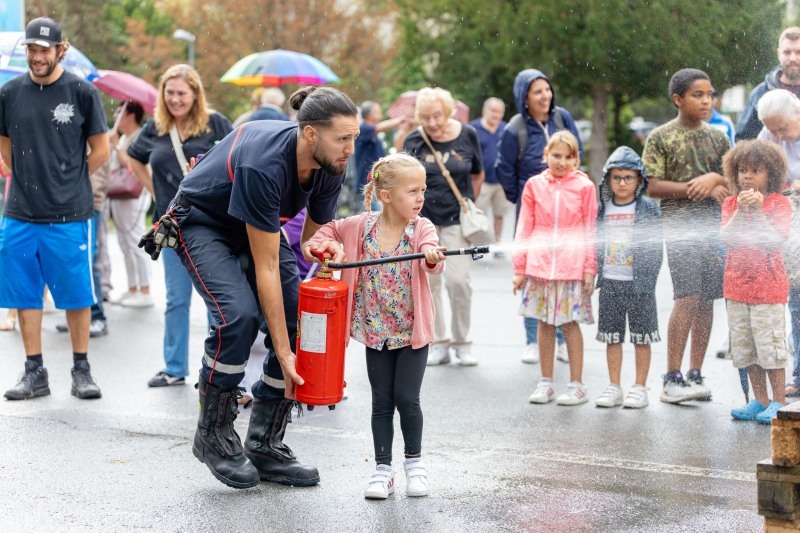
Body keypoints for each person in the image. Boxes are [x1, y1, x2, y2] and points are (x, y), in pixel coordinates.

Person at [138, 86, 359, 489]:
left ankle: (264, 444)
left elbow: (308, 241)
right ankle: (213, 434)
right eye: (342, 138)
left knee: (299, 322)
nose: (350, 147)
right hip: (203, 221)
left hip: (254, 227)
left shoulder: (331, 164)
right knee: (237, 316)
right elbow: (267, 266)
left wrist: (323, 246)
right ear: (310, 134)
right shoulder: (265, 164)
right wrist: (283, 350)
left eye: (354, 137)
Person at [305, 152, 446, 500]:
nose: (420, 198)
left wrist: (431, 256)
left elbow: (432, 255)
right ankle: (383, 469)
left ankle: (415, 464)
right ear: (386, 196)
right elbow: (326, 232)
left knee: (406, 399)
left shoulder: (421, 227)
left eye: (423, 190)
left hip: (412, 332)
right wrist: (324, 246)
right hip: (375, 330)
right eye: (412, 191)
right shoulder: (359, 226)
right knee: (382, 401)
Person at [0, 17, 109, 400]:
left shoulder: (81, 92)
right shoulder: (9, 92)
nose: (37, 56)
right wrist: (28, 175)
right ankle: (35, 371)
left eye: (45, 49)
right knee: (24, 294)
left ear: (60, 50)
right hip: (19, 213)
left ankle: (81, 369)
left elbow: (102, 150)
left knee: (76, 294)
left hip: (69, 214)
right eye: (32, 49)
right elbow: (4, 144)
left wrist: (68, 178)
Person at [128, 64, 233, 388]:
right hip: (170, 224)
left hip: (209, 223)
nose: (175, 99)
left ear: (195, 94)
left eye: (181, 93)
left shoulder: (215, 124)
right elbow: (133, 157)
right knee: (176, 299)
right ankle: (174, 367)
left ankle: (219, 366)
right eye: (169, 93)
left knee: (217, 300)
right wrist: (155, 190)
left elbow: (235, 158)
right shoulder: (155, 127)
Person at [643, 68, 730, 404]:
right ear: (678, 99)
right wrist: (701, 188)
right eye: (698, 95)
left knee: (707, 299)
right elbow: (652, 185)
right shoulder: (661, 136)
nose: (707, 100)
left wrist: (714, 178)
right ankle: (671, 377)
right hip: (679, 229)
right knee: (688, 297)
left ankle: (695, 373)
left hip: (713, 229)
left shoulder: (720, 137)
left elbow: (729, 180)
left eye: (710, 94)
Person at [496, 69, 584, 366]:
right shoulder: (516, 128)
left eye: (547, 89)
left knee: (562, 273)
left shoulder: (563, 118)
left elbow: (577, 151)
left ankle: (560, 340)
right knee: (534, 275)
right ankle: (533, 340)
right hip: (534, 207)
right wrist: (522, 197)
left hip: (567, 214)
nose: (544, 96)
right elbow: (504, 168)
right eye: (537, 92)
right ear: (524, 97)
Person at [512, 131, 597, 406]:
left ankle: (577, 385)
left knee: (570, 325)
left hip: (572, 267)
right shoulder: (534, 185)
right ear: (546, 155)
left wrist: (589, 268)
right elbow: (525, 226)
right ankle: (545, 382)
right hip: (539, 267)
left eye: (568, 156)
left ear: (576, 159)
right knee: (544, 324)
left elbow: (590, 229)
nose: (561, 161)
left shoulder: (584, 187)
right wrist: (520, 267)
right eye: (556, 155)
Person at [403, 87, 484, 367]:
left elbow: (477, 174)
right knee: (430, 283)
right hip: (424, 223)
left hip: (456, 220)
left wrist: (467, 203)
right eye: (425, 117)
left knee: (459, 282)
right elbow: (402, 181)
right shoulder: (414, 140)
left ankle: (463, 343)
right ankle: (440, 342)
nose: (432, 123)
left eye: (437, 116)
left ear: (448, 113)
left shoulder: (467, 134)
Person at [721, 140, 791, 424]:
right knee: (745, 348)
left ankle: (779, 401)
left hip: (769, 290)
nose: (747, 176)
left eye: (755, 170)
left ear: (770, 174)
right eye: (741, 170)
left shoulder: (779, 203)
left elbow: (775, 240)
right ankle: (759, 400)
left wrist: (759, 212)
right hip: (736, 289)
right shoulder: (730, 203)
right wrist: (741, 211)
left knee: (770, 348)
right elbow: (726, 239)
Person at [594, 147, 663, 409]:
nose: (622, 183)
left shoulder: (648, 209)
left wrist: (649, 282)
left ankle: (639, 387)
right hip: (610, 284)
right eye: (616, 177)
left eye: (628, 177)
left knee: (641, 338)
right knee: (612, 338)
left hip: (640, 286)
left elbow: (656, 249)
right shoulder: (604, 209)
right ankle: (614, 386)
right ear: (608, 180)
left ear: (639, 180)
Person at [755, 89, 800, 398]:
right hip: (786, 222)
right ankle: (798, 375)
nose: (779, 136)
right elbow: (759, 170)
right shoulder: (768, 134)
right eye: (773, 130)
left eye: (783, 128)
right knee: (795, 301)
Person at [108, 101, 152, 308]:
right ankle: (133, 287)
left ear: (131, 115)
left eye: (120, 112)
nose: (116, 116)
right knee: (124, 242)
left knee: (136, 240)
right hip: (119, 194)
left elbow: (131, 164)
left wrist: (116, 146)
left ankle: (145, 290)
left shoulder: (141, 136)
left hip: (135, 194)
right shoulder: (125, 137)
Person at [737, 27, 800, 142]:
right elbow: (744, 140)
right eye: (787, 52)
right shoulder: (760, 93)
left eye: (798, 52)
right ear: (778, 54)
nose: (792, 58)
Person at [469, 97, 511, 254]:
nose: (496, 115)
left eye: (500, 112)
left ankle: (497, 245)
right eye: (493, 111)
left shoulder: (506, 129)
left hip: (501, 180)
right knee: (479, 215)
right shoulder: (473, 128)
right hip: (482, 181)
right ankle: (477, 245)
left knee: (499, 214)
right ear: (484, 111)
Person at [354, 101, 403, 211]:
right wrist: (400, 120)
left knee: (375, 216)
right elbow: (380, 127)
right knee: (371, 217)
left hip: (376, 180)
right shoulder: (362, 129)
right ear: (371, 114)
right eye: (378, 112)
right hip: (368, 182)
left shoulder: (375, 134)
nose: (381, 115)